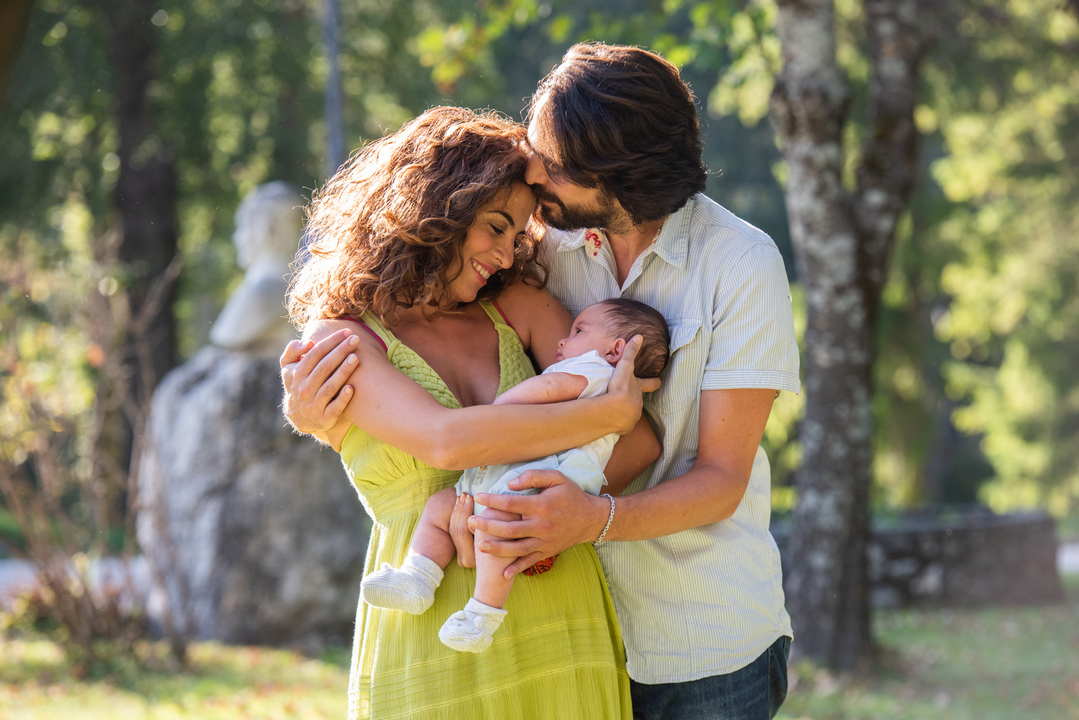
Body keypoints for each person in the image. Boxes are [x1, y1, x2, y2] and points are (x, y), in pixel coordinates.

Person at [284, 44, 801, 720]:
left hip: (695, 638)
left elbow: (718, 477)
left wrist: (580, 517)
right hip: (548, 609)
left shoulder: (736, 264)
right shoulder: (540, 250)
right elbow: (434, 410)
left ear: (616, 177)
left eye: (552, 166)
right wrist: (323, 417)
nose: (532, 172)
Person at [280, 106, 658, 720]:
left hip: (554, 600)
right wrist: (604, 417)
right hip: (424, 629)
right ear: (438, 207)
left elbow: (641, 447)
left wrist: (543, 511)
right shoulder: (341, 337)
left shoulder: (518, 306)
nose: (508, 256)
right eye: (495, 227)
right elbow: (445, 443)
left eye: (519, 236)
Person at [360, 298, 670, 654]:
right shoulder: (609, 384)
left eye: (578, 331)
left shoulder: (595, 370)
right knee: (444, 505)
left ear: (616, 350)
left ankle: (482, 612)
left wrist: (496, 415)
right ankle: (418, 577)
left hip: (535, 481)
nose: (563, 341)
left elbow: (547, 390)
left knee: (494, 528)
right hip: (516, 476)